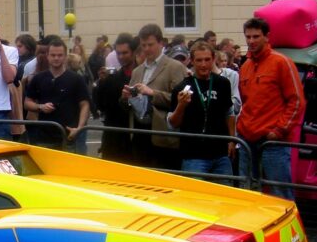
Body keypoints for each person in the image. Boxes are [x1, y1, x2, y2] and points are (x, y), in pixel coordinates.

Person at [237, 17, 306, 200]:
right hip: (248, 139)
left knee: (280, 194)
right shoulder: (245, 67)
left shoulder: (281, 62)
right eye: (248, 37)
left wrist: (279, 130)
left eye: (256, 37)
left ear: (267, 37)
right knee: (248, 191)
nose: (251, 41)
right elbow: (246, 101)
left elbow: (297, 101)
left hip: (272, 141)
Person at [168, 42, 235, 183]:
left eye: (207, 60)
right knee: (196, 198)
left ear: (213, 59)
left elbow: (229, 113)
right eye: (199, 60)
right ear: (192, 61)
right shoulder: (182, 88)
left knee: (225, 197)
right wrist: (181, 105)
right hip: (194, 155)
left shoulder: (223, 83)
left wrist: (231, 140)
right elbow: (172, 123)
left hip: (220, 152)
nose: (203, 64)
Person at [123, 23, 187, 169]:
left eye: (150, 44)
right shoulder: (137, 71)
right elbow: (129, 105)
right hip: (139, 134)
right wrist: (126, 97)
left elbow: (181, 100)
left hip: (163, 136)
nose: (146, 49)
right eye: (143, 45)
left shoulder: (174, 67)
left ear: (160, 43)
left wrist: (152, 93)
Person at [24, 38, 90, 152]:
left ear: (65, 56)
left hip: (69, 136)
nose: (56, 58)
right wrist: (40, 107)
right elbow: (27, 102)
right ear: (47, 56)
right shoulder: (38, 78)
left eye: (60, 55)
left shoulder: (76, 79)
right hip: (45, 136)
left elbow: (85, 104)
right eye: (53, 55)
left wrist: (79, 128)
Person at [95, 33, 137, 163]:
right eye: (118, 53)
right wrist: (99, 83)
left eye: (125, 53)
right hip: (114, 137)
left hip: (135, 137)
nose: (121, 57)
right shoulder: (111, 78)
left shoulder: (142, 75)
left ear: (134, 52)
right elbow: (100, 105)